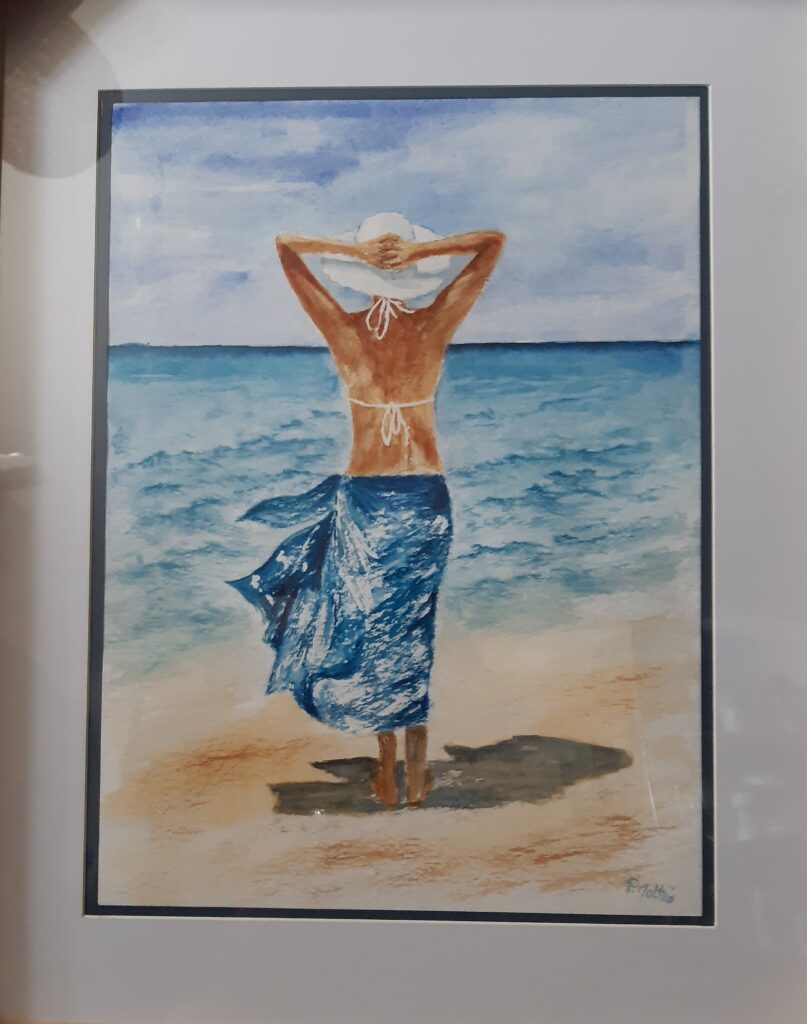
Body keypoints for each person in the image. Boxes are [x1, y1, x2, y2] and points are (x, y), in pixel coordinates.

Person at [229, 212, 504, 807]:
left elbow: (286, 247)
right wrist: (418, 251)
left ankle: (386, 770)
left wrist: (356, 252)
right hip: (424, 497)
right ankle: (417, 772)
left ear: (363, 277)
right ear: (415, 277)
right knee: (414, 630)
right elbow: (490, 244)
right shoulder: (433, 324)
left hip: (369, 500)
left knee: (377, 632)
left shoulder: (344, 331)